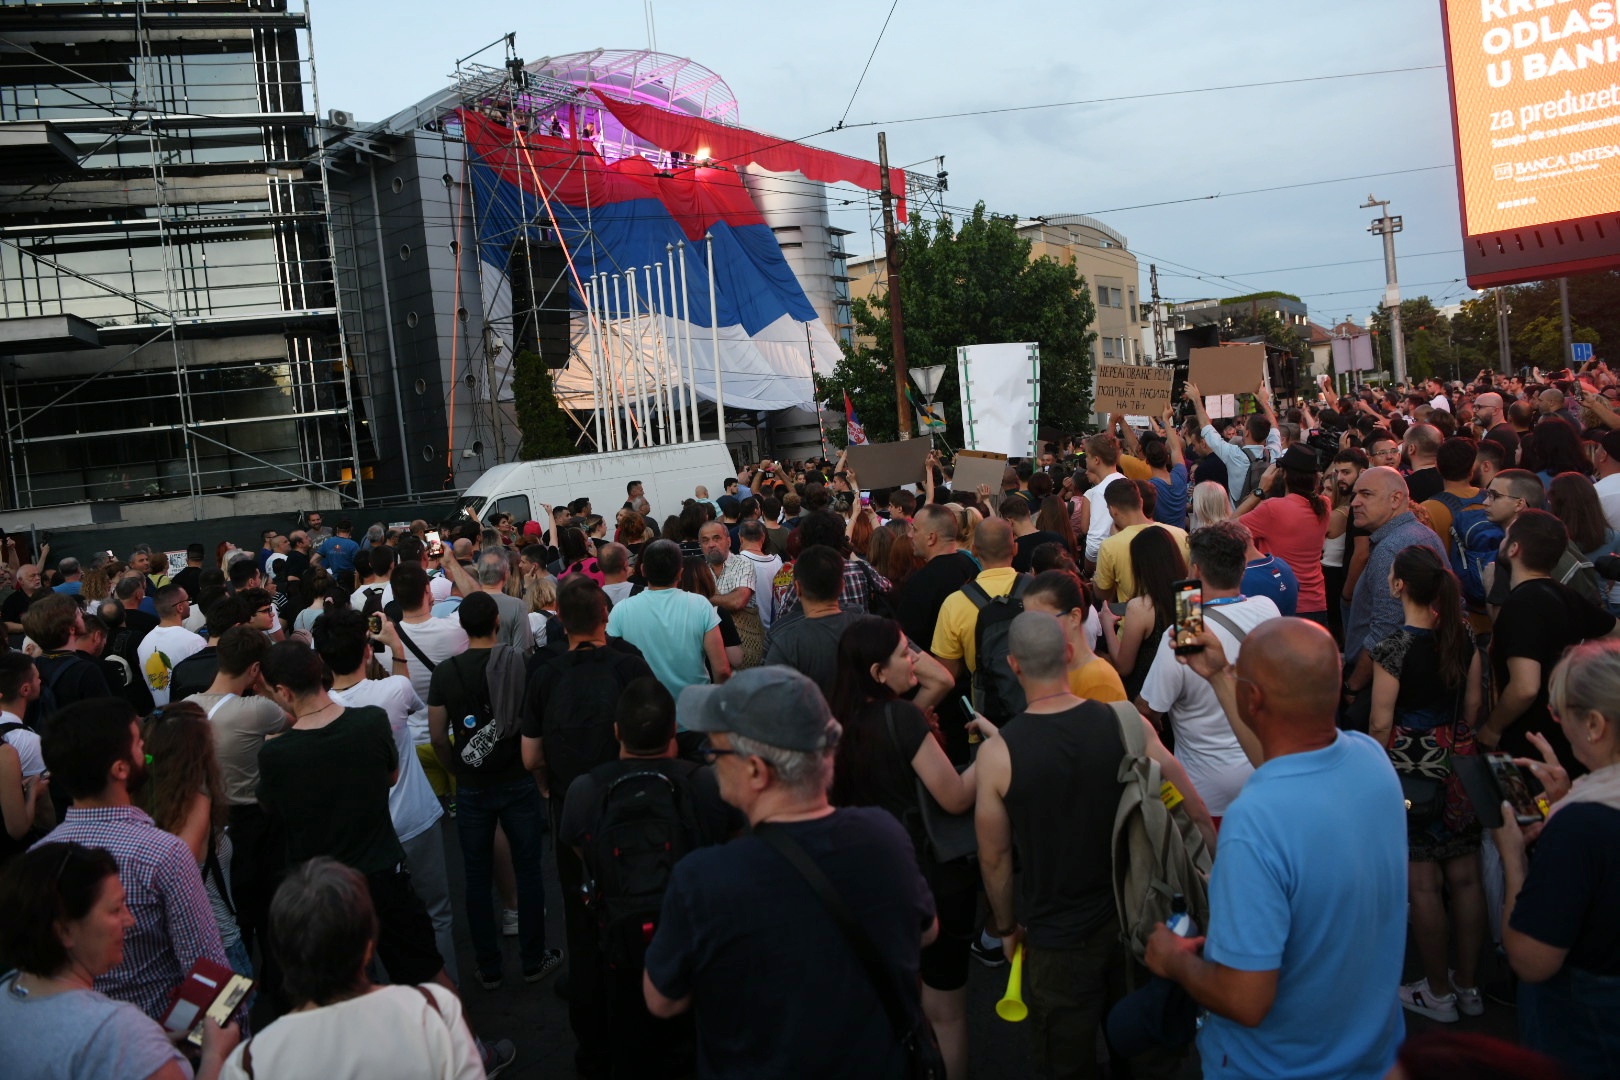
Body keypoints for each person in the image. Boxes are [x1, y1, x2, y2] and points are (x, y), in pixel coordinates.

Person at [642, 666, 937, 1077]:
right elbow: (927, 931)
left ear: (757, 771)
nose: (709, 762)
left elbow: (662, 1000)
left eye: (716, 751)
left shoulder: (704, 879)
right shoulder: (884, 836)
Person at [1145, 618, 1407, 1080]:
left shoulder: (1255, 822)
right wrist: (1222, 673)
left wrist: (1174, 960)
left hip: (1274, 1066)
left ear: (1255, 699)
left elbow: (1245, 1000)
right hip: (1376, 1057)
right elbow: (1287, 764)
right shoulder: (1371, 761)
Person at [976, 611, 1183, 1079]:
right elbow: (1181, 795)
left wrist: (1007, 929)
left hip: (1055, 938)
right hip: (1133, 918)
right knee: (1141, 1048)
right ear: (1068, 654)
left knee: (1065, 1060)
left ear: (1014, 665)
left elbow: (995, 857)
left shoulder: (998, 755)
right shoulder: (1123, 720)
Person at [255, 641, 455, 1006]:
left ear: (283, 691)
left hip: (325, 893)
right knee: (426, 975)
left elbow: (273, 809)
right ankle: (469, 1050)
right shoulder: (370, 722)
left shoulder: (275, 754)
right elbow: (392, 777)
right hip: (384, 875)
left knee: (348, 991)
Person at [828, 617, 984, 1078]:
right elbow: (954, 795)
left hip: (866, 881)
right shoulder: (900, 718)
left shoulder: (835, 724)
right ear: (877, 672)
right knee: (946, 1011)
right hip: (926, 874)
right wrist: (992, 756)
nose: (913, 660)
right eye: (903, 653)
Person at [560, 677, 735, 1079]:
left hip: (618, 950)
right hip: (697, 945)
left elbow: (579, 854)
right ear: (674, 728)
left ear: (617, 732)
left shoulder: (586, 790)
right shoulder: (705, 783)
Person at [35, 698, 229, 1021]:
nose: (147, 753)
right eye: (139, 745)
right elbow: (209, 972)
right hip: (160, 1041)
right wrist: (193, 1047)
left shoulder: (38, 858)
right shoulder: (164, 854)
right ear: (121, 768)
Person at [218, 857, 491, 1080]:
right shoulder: (434, 1012)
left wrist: (211, 1059)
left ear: (281, 954)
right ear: (369, 945)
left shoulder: (249, 1064)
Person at [1367, 547, 1487, 1023]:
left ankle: (1436, 991)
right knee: (1466, 876)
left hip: (1409, 768)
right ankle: (1470, 985)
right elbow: (1475, 706)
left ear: (1398, 587)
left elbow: (1379, 722)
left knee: (1423, 883)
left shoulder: (1393, 648)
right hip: (1459, 763)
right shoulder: (1465, 639)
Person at [0, 842, 238, 1080]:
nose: (130, 920)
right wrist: (214, 1056)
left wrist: (153, 1052)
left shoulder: (7, 992)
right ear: (64, 931)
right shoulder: (118, 1030)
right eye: (115, 910)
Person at [1494, 640, 1620, 1078]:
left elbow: (1531, 959)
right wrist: (1566, 798)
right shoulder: (1589, 807)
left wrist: (1513, 858)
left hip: (1587, 1033)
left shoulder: (1583, 826)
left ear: (1595, 724)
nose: (1556, 721)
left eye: (1559, 710)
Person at [316, 608, 458, 986]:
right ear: (366, 651)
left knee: (372, 926)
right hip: (415, 820)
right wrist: (395, 645)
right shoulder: (392, 691)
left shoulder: (321, 710)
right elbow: (407, 696)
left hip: (364, 836)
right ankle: (447, 995)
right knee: (437, 913)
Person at [427, 591, 559, 988]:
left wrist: (456, 768)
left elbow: (437, 736)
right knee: (529, 868)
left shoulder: (446, 672)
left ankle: (489, 966)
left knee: (475, 873)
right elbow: (534, 721)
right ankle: (533, 958)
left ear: (463, 627)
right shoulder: (519, 663)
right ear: (496, 623)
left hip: (472, 784)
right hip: (516, 777)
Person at [1140, 521, 1277, 821]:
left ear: (1196, 571)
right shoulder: (1267, 609)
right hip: (1263, 771)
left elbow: (1149, 710)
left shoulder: (1185, 633)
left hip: (1208, 791)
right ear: (1242, 570)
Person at [1481, 510, 1618, 770]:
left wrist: (1491, 728)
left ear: (1514, 548)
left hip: (1530, 748)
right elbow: (1615, 630)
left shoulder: (1520, 604)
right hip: (1565, 737)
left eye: (1506, 536)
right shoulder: (1564, 594)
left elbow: (1525, 687)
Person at [184, 626, 288, 956]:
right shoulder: (257, 709)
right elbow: (297, 718)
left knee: (230, 906)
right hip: (255, 820)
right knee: (270, 909)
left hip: (209, 821)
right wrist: (266, 688)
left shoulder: (188, 706)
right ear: (255, 669)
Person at [137, 701, 250, 979]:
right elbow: (178, 868)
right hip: (217, 946)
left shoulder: (139, 799)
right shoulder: (198, 803)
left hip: (171, 951)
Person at [1341, 467, 1447, 732]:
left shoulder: (1391, 549)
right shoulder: (1422, 533)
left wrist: (1354, 684)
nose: (1355, 502)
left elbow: (1384, 631)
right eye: (1355, 495)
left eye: (1366, 494)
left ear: (1396, 499)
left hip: (1386, 688)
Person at [607, 539, 729, 694]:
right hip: (695, 706)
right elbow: (722, 670)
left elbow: (610, 665)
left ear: (643, 570)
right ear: (680, 572)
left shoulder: (621, 610)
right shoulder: (701, 605)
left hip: (646, 708)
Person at [1238, 444, 1330, 623]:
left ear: (1284, 474)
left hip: (1282, 601)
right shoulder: (1324, 505)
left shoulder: (1273, 508)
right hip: (1316, 603)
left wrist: (1260, 490)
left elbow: (1228, 528)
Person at [1101, 526, 1189, 701]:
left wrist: (1107, 624)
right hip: (1180, 695)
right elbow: (1188, 654)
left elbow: (1123, 667)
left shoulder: (1140, 607)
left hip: (1146, 696)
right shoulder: (1188, 596)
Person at [762, 545, 861, 691]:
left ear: (797, 588)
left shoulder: (782, 640)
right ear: (842, 586)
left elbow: (769, 697)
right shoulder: (873, 628)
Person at [1093, 479, 1189, 604]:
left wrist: (1095, 580)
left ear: (1112, 510)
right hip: (1181, 616)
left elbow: (1102, 593)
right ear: (1141, 502)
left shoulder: (1109, 546)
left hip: (1132, 620)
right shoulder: (1181, 534)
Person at [135, 585, 202, 708]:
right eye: (187, 600)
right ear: (180, 607)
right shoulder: (194, 642)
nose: (189, 603)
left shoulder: (144, 644)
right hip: (190, 714)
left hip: (163, 716)